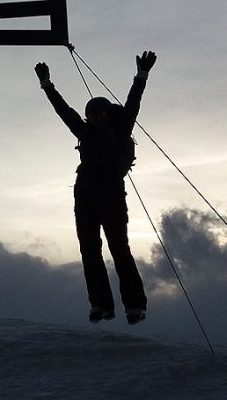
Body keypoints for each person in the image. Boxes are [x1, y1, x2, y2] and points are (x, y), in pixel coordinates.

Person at [34, 51, 157, 325]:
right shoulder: (85, 131)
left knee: (118, 249)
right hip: (89, 195)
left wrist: (141, 76)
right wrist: (47, 85)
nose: (95, 119)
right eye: (92, 115)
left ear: (106, 115)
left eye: (99, 114)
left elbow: (133, 103)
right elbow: (63, 111)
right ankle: (102, 304)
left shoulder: (120, 128)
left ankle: (132, 305)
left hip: (106, 195)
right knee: (90, 250)